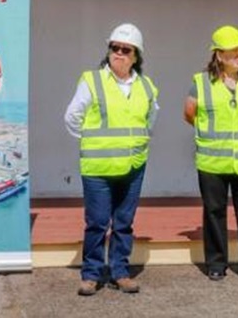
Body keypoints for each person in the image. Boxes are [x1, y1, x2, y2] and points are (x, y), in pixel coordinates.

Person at [64, 23, 159, 296]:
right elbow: (72, 117)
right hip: (98, 168)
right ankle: (91, 274)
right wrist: (92, 142)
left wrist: (138, 144)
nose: (118, 53)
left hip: (133, 165)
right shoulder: (92, 81)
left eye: (125, 49)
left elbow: (150, 120)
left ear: (136, 56)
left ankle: (120, 272)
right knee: (97, 222)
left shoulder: (147, 86)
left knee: (124, 223)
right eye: (114, 48)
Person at [183, 25, 238, 284]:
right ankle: (216, 264)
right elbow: (189, 113)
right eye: (234, 50)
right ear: (218, 55)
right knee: (214, 212)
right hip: (212, 161)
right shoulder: (200, 83)